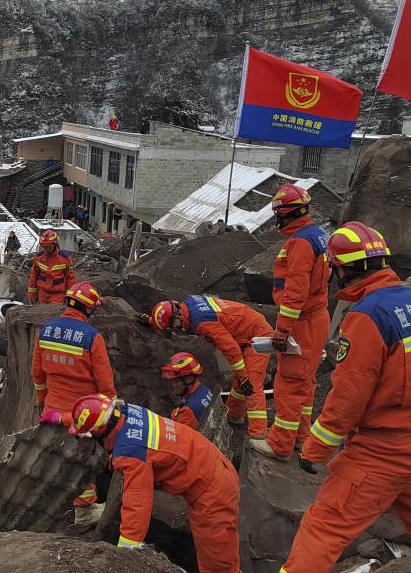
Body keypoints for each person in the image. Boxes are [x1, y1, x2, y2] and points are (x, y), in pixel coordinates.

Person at [280, 223, 411, 573]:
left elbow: (349, 398)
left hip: (381, 451)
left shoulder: (368, 315)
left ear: (347, 268)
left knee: (323, 528)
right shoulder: (407, 301)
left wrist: (315, 450)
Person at [69, 394, 241, 573]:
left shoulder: (131, 454)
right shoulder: (126, 412)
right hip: (208, 466)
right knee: (216, 559)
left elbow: (137, 504)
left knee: (218, 566)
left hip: (213, 487)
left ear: (98, 434)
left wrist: (124, 553)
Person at [249, 184, 330, 461]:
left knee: (289, 383)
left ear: (283, 213)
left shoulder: (300, 243)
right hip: (317, 319)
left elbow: (296, 292)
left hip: (303, 322)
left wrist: (282, 330)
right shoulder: (317, 235)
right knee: (306, 384)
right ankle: (300, 437)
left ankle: (281, 444)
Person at [32, 282, 115, 524]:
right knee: (82, 461)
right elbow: (105, 384)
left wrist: (42, 401)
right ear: (89, 309)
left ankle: (49, 503)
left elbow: (37, 374)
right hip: (83, 412)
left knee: (54, 454)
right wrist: (110, 411)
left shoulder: (46, 330)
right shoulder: (91, 337)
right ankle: (85, 512)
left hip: (52, 408)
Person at [149, 296, 267, 437]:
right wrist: (152, 320)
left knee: (251, 384)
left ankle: (258, 434)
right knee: (240, 380)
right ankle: (234, 415)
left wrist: (243, 376)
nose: (174, 329)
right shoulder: (188, 303)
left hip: (257, 335)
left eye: (173, 325)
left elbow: (231, 349)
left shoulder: (203, 323)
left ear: (177, 315)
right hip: (246, 326)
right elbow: (169, 316)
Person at [161, 352, 213, 430]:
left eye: (177, 381)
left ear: (189, 379)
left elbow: (177, 437)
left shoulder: (187, 412)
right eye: (173, 381)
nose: (173, 385)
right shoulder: (204, 390)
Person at [28, 229, 75, 304]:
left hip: (58, 296)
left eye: (49, 246)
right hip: (42, 294)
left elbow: (71, 278)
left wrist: (70, 296)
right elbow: (33, 276)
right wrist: (32, 294)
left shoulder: (65, 258)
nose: (46, 249)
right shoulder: (38, 258)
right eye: (44, 246)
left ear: (55, 244)